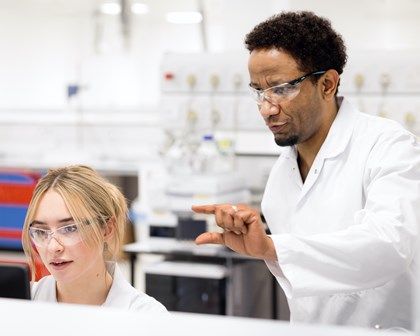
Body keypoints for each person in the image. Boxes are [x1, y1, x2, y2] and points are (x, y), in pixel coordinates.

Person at [192, 11, 420, 330]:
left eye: (281, 89)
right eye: (258, 91)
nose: (267, 108)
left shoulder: (388, 146)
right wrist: (263, 242)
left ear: (327, 84)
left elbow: (390, 247)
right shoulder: (280, 177)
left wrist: (273, 247)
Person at [22, 165, 168, 313]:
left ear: (106, 229)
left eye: (69, 228)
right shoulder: (18, 303)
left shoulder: (147, 315)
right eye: (41, 231)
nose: (53, 247)